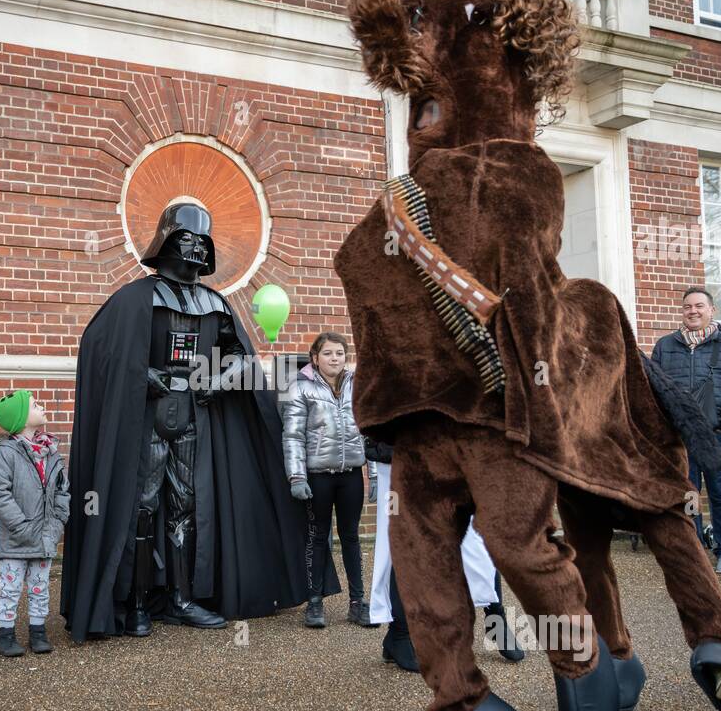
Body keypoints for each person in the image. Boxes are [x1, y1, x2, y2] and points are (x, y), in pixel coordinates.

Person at [336, 0, 721, 711]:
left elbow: (521, 287)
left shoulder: (498, 177)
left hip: (476, 413)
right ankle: (481, 696)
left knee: (535, 541)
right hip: (452, 415)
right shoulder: (416, 194)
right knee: (467, 553)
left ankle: (589, 659)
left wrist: (426, 406)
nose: (423, 115)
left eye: (428, 99)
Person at [61, 201, 336, 642]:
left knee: (186, 506)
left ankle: (181, 598)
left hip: (194, 415)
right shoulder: (134, 300)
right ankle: (134, 604)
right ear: (167, 240)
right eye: (185, 237)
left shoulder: (215, 303)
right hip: (148, 417)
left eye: (200, 240)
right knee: (143, 506)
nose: (193, 247)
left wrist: (219, 379)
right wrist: (143, 374)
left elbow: (239, 357)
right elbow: (102, 350)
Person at [365, 434, 523, 672]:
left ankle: (495, 618)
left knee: (476, 539)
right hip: (397, 462)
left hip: (451, 457)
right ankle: (398, 634)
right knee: (401, 543)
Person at [650, 287, 721, 574]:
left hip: (718, 435)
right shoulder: (665, 346)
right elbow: (654, 390)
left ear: (712, 310)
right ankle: (693, 548)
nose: (692, 311)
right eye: (687, 307)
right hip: (680, 436)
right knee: (688, 494)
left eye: (699, 306)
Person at [282, 332, 373, 628]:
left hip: (350, 477)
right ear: (315, 358)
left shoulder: (356, 386)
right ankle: (315, 603)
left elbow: (369, 431)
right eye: (328, 353)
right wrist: (296, 476)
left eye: (340, 353)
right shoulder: (300, 387)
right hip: (318, 478)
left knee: (351, 538)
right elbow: (293, 435)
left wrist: (373, 474)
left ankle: (358, 603)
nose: (335, 358)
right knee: (318, 538)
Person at [0, 389, 68, 656]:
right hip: (15, 539)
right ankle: (6, 635)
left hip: (45, 536)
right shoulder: (6, 454)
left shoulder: (51, 453)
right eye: (34, 404)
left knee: (40, 586)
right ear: (20, 419)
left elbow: (62, 491)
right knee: (10, 588)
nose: (41, 405)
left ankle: (38, 632)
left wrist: (58, 522)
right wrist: (20, 527)